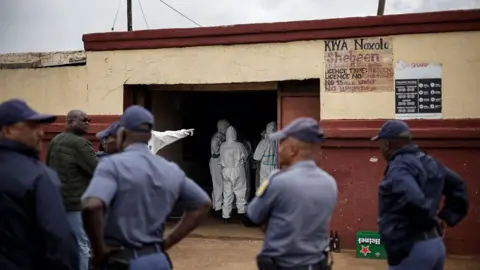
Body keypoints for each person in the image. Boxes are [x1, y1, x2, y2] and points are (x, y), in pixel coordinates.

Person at [81, 105, 211, 270]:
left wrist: (99, 250)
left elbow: (91, 206)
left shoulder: (111, 165)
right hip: (157, 259)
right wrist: (168, 241)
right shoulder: (170, 169)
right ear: (149, 135)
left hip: (121, 260)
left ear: (122, 134)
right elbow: (203, 203)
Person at [372, 120, 469, 270]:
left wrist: (431, 219)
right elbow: (458, 186)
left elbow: (413, 199)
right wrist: (446, 217)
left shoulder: (399, 168)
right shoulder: (429, 161)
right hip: (434, 245)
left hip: (412, 251)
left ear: (386, 145)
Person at [244, 117, 337, 270]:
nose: (279, 149)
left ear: (293, 149)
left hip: (283, 265)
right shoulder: (329, 183)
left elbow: (251, 218)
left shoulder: (279, 181)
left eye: (282, 144)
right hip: (316, 264)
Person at [0, 99, 79, 270]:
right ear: (8, 130)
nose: (41, 133)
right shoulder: (37, 176)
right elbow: (60, 239)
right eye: (32, 126)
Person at [46, 109, 97, 270]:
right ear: (70, 122)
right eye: (84, 120)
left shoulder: (54, 141)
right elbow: (97, 171)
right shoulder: (80, 143)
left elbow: (48, 168)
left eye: (89, 120)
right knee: (82, 246)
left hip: (59, 203)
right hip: (76, 204)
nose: (88, 123)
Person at [219, 126, 249, 223]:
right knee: (241, 192)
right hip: (238, 170)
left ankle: (226, 217)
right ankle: (241, 215)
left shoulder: (222, 145)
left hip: (226, 171)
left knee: (227, 193)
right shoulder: (239, 145)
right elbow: (246, 156)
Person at [210, 119, 230, 217]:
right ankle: (217, 207)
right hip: (216, 162)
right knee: (218, 185)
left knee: (220, 184)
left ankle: (217, 206)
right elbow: (216, 150)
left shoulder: (222, 136)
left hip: (219, 162)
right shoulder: (217, 138)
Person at [253, 122, 278, 190]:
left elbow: (256, 157)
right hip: (276, 167)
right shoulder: (279, 141)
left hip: (265, 168)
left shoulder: (264, 142)